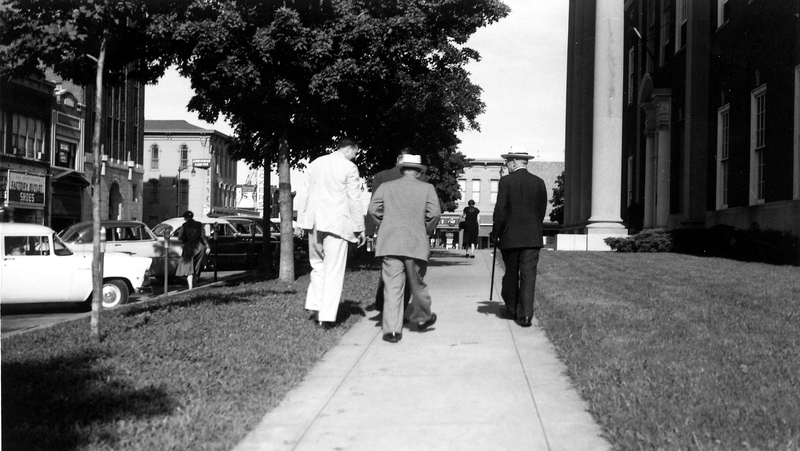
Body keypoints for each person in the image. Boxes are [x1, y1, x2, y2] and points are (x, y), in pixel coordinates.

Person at [368, 153, 441, 343]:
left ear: (401, 170)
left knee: (392, 286)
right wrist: (425, 229)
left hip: (390, 241)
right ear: (418, 172)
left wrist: (383, 224)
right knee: (417, 283)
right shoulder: (427, 188)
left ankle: (392, 331)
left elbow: (373, 210)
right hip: (415, 241)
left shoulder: (386, 187)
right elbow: (434, 214)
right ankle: (423, 316)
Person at [298, 138, 366, 328]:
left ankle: (314, 304)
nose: (356, 156)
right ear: (348, 149)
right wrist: (359, 227)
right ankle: (326, 318)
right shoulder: (349, 168)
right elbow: (354, 198)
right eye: (355, 152)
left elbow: (304, 192)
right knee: (334, 270)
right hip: (337, 223)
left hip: (314, 222)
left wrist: (301, 221)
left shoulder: (316, 163)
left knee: (317, 265)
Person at [366, 147, 429, 313]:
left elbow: (373, 206)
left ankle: (383, 304)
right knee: (410, 275)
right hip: (414, 233)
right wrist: (426, 229)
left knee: (389, 272)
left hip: (388, 231)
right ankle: (401, 310)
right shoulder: (421, 180)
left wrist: (373, 228)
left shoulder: (381, 177)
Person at [490, 151, 547, 328]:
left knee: (511, 274)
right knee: (529, 276)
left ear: (514, 162)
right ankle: (526, 316)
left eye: (507, 163)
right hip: (532, 237)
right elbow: (542, 210)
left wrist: (496, 232)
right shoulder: (539, 182)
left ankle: (512, 309)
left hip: (511, 236)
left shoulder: (506, 182)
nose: (506, 166)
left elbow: (501, 210)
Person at [176, 210, 210, 290]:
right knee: (196, 268)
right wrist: (207, 246)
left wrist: (184, 239)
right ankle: (195, 285)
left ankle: (190, 288)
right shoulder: (199, 224)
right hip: (199, 246)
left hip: (189, 247)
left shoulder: (184, 225)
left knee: (189, 269)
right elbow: (203, 236)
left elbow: (179, 237)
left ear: (185, 217)